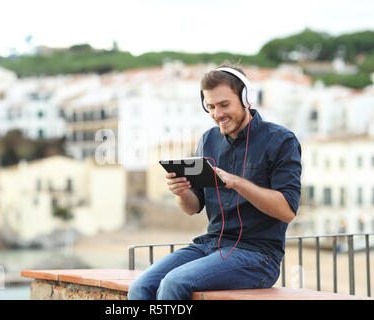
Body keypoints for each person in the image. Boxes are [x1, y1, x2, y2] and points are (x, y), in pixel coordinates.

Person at [127, 64, 302, 300]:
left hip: (258, 256)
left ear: (246, 99)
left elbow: (287, 211)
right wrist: (181, 192)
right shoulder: (208, 140)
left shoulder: (281, 141)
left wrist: (236, 182)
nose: (217, 114)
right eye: (210, 106)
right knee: (140, 287)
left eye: (224, 105)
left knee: (174, 283)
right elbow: (192, 208)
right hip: (210, 245)